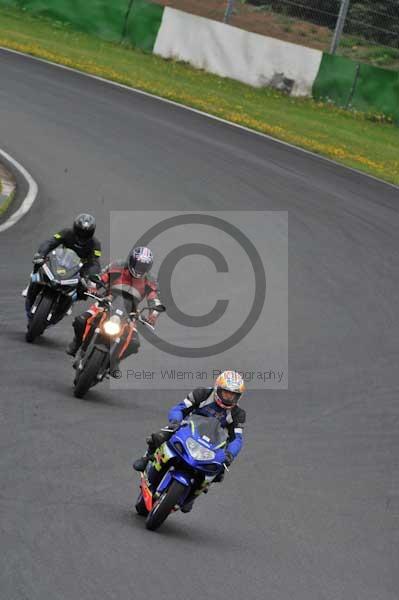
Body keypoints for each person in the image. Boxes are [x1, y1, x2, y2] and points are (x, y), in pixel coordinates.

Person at [133, 370, 246, 512]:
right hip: (187, 430)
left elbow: (237, 438)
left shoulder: (238, 414)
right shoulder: (202, 394)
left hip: (211, 445)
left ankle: (192, 494)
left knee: (219, 471)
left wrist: (230, 454)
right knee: (160, 435)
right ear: (218, 388)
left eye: (233, 395)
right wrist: (175, 421)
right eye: (226, 393)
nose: (229, 398)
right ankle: (146, 458)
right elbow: (180, 408)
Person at [66, 245, 162, 358]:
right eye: (137, 264)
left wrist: (153, 314)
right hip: (107, 302)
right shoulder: (118, 266)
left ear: (148, 268)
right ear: (131, 260)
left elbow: (153, 298)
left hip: (131, 313)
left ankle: (115, 361)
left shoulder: (150, 280)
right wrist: (93, 286)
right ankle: (77, 344)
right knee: (80, 321)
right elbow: (102, 277)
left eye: (143, 266)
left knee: (134, 343)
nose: (139, 268)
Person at [23, 214, 102, 316]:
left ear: (91, 233)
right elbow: (50, 242)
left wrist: (92, 276)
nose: (82, 236)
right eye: (80, 231)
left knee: (85, 286)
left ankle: (70, 302)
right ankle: (32, 281)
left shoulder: (95, 244)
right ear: (75, 228)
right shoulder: (66, 233)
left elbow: (94, 262)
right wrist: (41, 253)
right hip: (61, 260)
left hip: (80, 268)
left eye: (86, 233)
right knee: (40, 260)